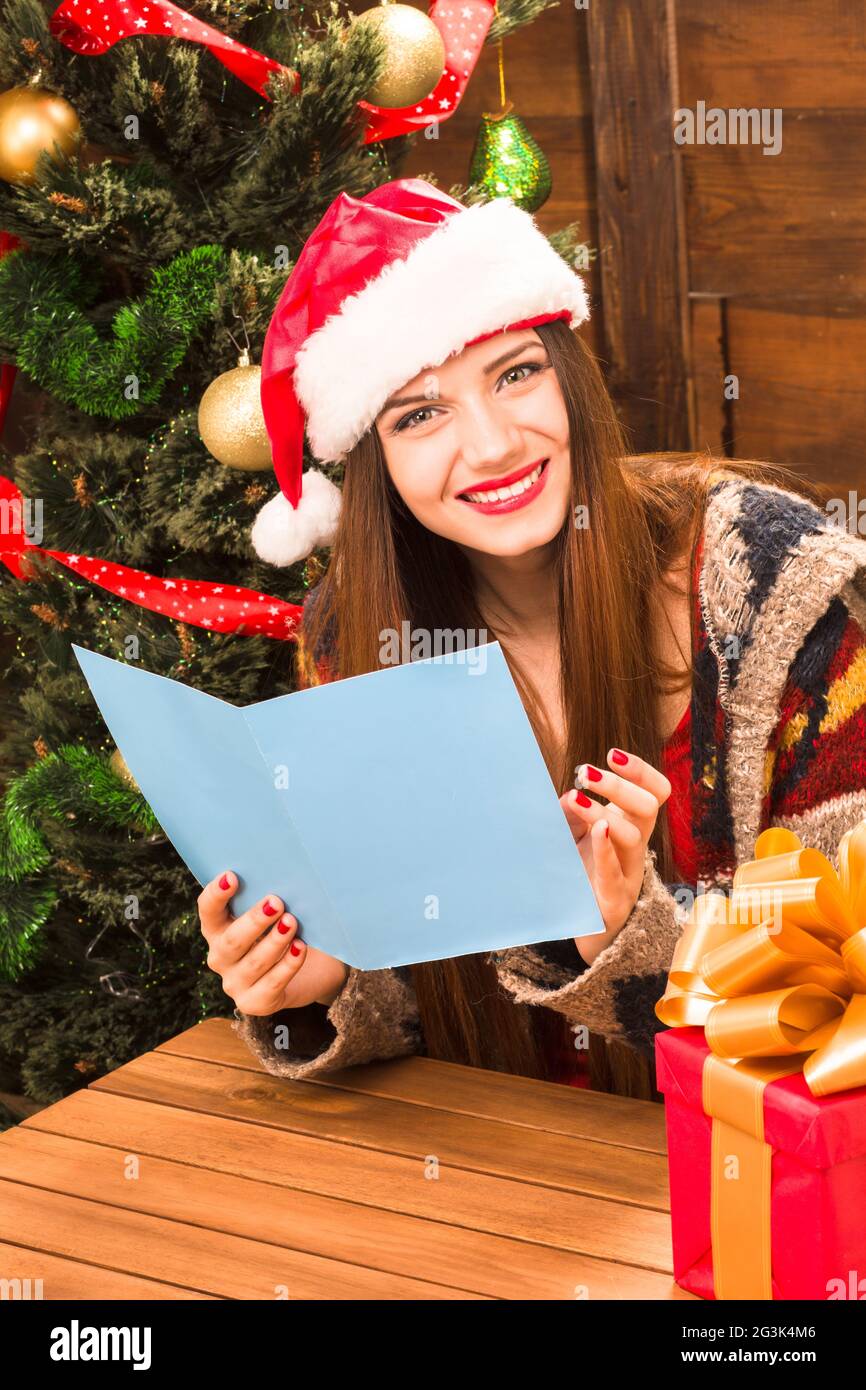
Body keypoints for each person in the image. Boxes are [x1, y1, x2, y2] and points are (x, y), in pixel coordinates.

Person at [198, 179, 866, 1099]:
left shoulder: (769, 586)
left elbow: (839, 1018)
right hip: (493, 1182)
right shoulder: (356, 636)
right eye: (419, 414)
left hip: (740, 1189)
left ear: (569, 374)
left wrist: (630, 936)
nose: (493, 445)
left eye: (516, 373)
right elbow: (432, 994)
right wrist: (326, 985)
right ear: (376, 462)